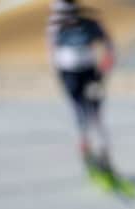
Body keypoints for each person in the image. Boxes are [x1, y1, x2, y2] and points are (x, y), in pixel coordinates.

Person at [47, 0, 116, 184]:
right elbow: (52, 51)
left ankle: (105, 159)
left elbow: (109, 45)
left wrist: (107, 62)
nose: (64, 18)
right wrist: (57, 72)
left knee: (96, 116)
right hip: (69, 75)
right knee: (79, 116)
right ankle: (87, 156)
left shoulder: (89, 24)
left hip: (90, 74)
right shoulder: (55, 27)